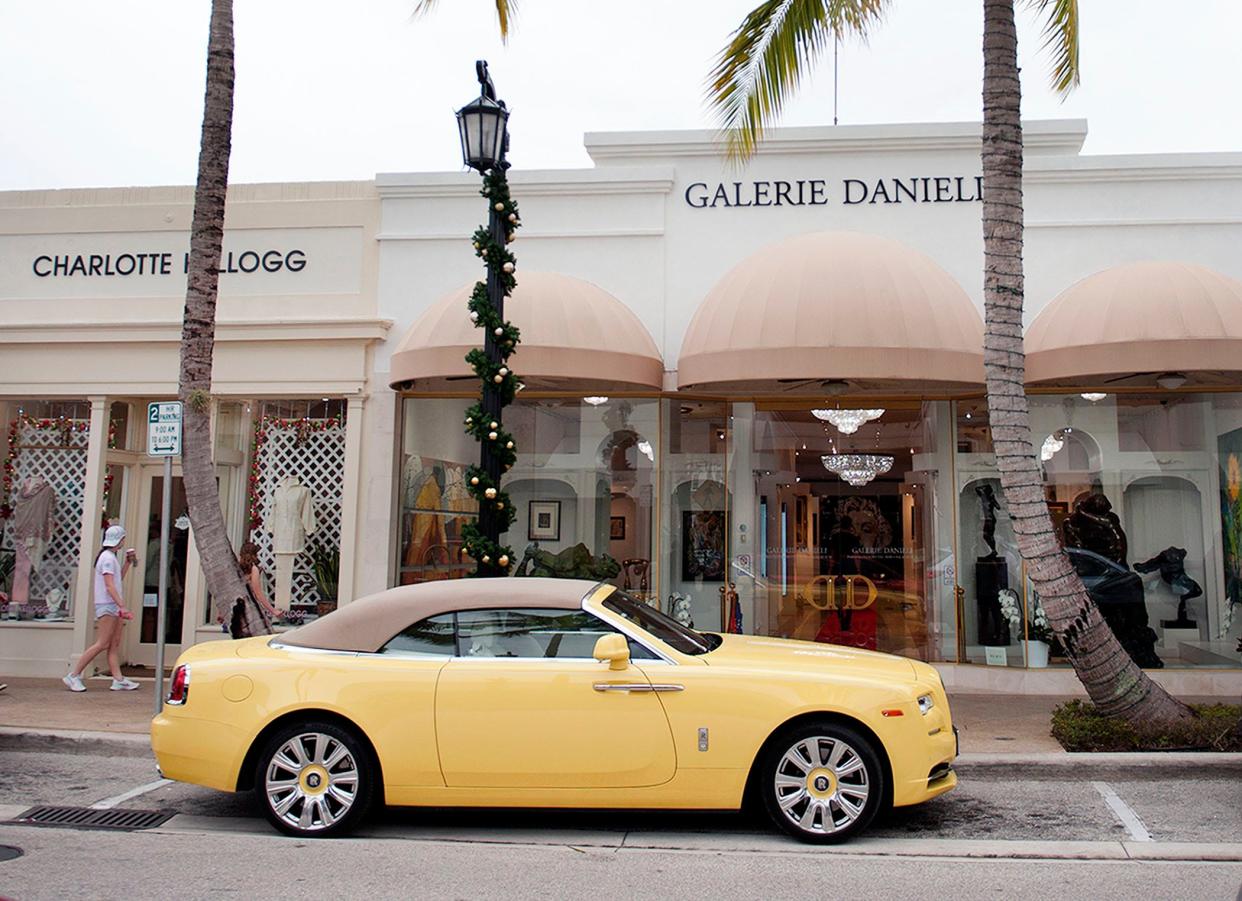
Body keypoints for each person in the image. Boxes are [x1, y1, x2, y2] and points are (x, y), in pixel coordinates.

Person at [62, 525, 139, 692]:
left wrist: (127, 563)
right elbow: (110, 586)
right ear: (119, 540)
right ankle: (73, 675)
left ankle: (118, 679)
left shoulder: (109, 557)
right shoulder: (108, 558)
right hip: (108, 605)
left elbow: (117, 579)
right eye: (123, 539)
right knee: (102, 643)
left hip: (112, 605)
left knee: (113, 644)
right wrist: (122, 606)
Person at [233, 541, 279, 638]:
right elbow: (258, 594)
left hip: (237, 608)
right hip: (250, 608)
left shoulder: (236, 568)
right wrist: (273, 610)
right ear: (255, 555)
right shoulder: (254, 570)